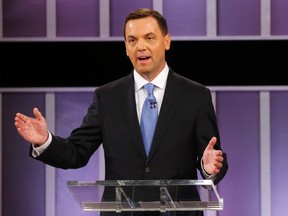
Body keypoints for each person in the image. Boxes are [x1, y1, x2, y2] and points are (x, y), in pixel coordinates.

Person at [14, 8, 228, 216]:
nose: (140, 47)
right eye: (132, 40)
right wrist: (44, 141)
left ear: (166, 41)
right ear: (126, 47)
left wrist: (209, 167)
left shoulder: (195, 95)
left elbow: (212, 155)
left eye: (149, 38)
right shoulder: (107, 97)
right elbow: (76, 152)